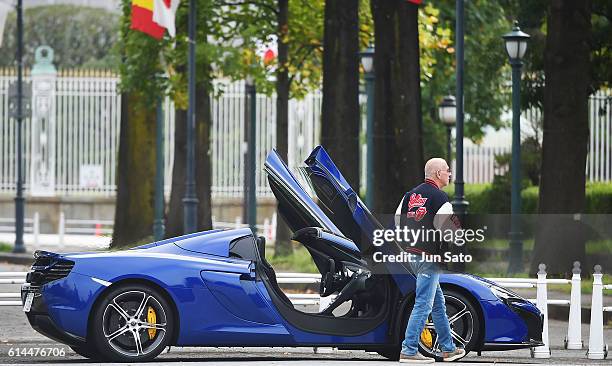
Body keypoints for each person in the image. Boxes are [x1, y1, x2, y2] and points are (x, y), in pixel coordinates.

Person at [395, 158, 465, 364]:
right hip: (430, 258)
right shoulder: (440, 198)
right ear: (437, 174)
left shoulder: (409, 196)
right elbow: (449, 230)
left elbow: (398, 221)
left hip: (412, 255)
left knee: (437, 303)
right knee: (424, 304)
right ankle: (408, 350)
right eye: (447, 170)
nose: (449, 174)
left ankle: (448, 348)